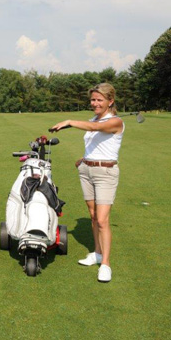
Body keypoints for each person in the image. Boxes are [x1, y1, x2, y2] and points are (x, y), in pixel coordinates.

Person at [50, 83, 124, 283]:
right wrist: (84, 159)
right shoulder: (93, 118)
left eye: (100, 100)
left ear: (110, 101)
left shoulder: (115, 121)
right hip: (87, 170)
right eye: (93, 99)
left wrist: (69, 121)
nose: (95, 103)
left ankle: (106, 264)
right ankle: (97, 253)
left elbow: (97, 128)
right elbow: (96, 142)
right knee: (92, 216)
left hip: (105, 173)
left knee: (102, 220)